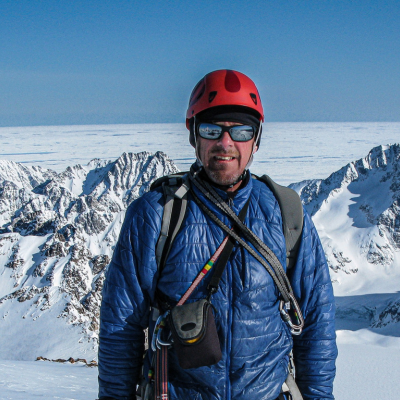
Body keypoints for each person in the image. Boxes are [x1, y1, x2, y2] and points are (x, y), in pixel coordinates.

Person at [98, 70, 337, 400]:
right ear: (194, 135)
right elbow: (120, 329)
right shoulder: (156, 214)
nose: (226, 143)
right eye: (212, 129)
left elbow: (316, 325)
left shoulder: (286, 214)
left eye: (241, 130)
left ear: (256, 139)